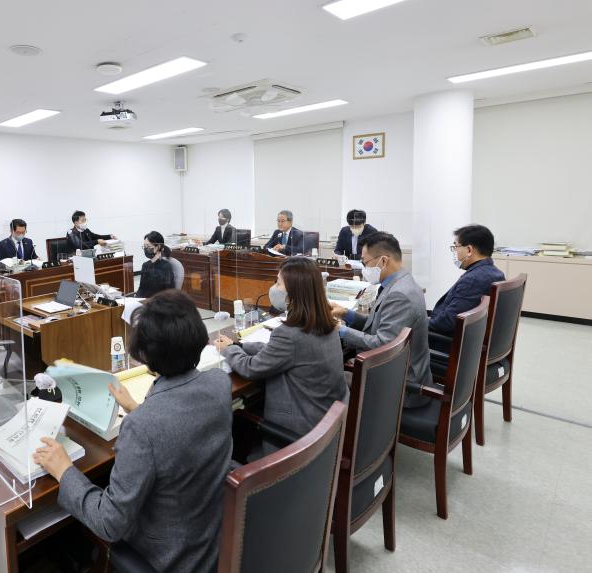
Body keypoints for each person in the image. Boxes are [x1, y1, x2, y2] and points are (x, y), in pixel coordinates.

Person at [34, 290, 232, 572]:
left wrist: (64, 469)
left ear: (145, 355)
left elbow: (109, 522)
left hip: (170, 558)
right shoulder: (219, 383)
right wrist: (136, 407)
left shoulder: (142, 427)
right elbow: (178, 431)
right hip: (212, 539)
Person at [215, 258, 349, 445]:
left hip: (299, 432)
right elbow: (281, 352)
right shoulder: (326, 322)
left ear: (294, 292)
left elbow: (250, 369)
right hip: (324, 419)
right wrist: (242, 345)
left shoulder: (290, 334)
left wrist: (229, 349)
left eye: (278, 283)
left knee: (235, 420)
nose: (274, 288)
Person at [330, 232, 432, 408]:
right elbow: (379, 324)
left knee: (327, 379)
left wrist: (341, 330)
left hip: (401, 385)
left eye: (365, 262)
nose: (364, 268)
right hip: (396, 370)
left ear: (383, 261)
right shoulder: (400, 281)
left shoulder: (400, 294)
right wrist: (346, 314)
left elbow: (382, 345)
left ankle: (348, 425)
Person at [429, 224, 505, 337]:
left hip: (449, 341)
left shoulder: (473, 280)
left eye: (456, 247)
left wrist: (420, 324)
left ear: (469, 250)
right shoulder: (496, 273)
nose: (455, 251)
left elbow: (448, 323)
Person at [136, 231, 175, 298]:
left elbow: (169, 293)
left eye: (148, 246)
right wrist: (136, 300)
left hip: (159, 302)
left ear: (158, 246)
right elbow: (141, 288)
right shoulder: (145, 265)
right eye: (144, 246)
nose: (146, 249)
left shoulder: (166, 267)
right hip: (146, 301)